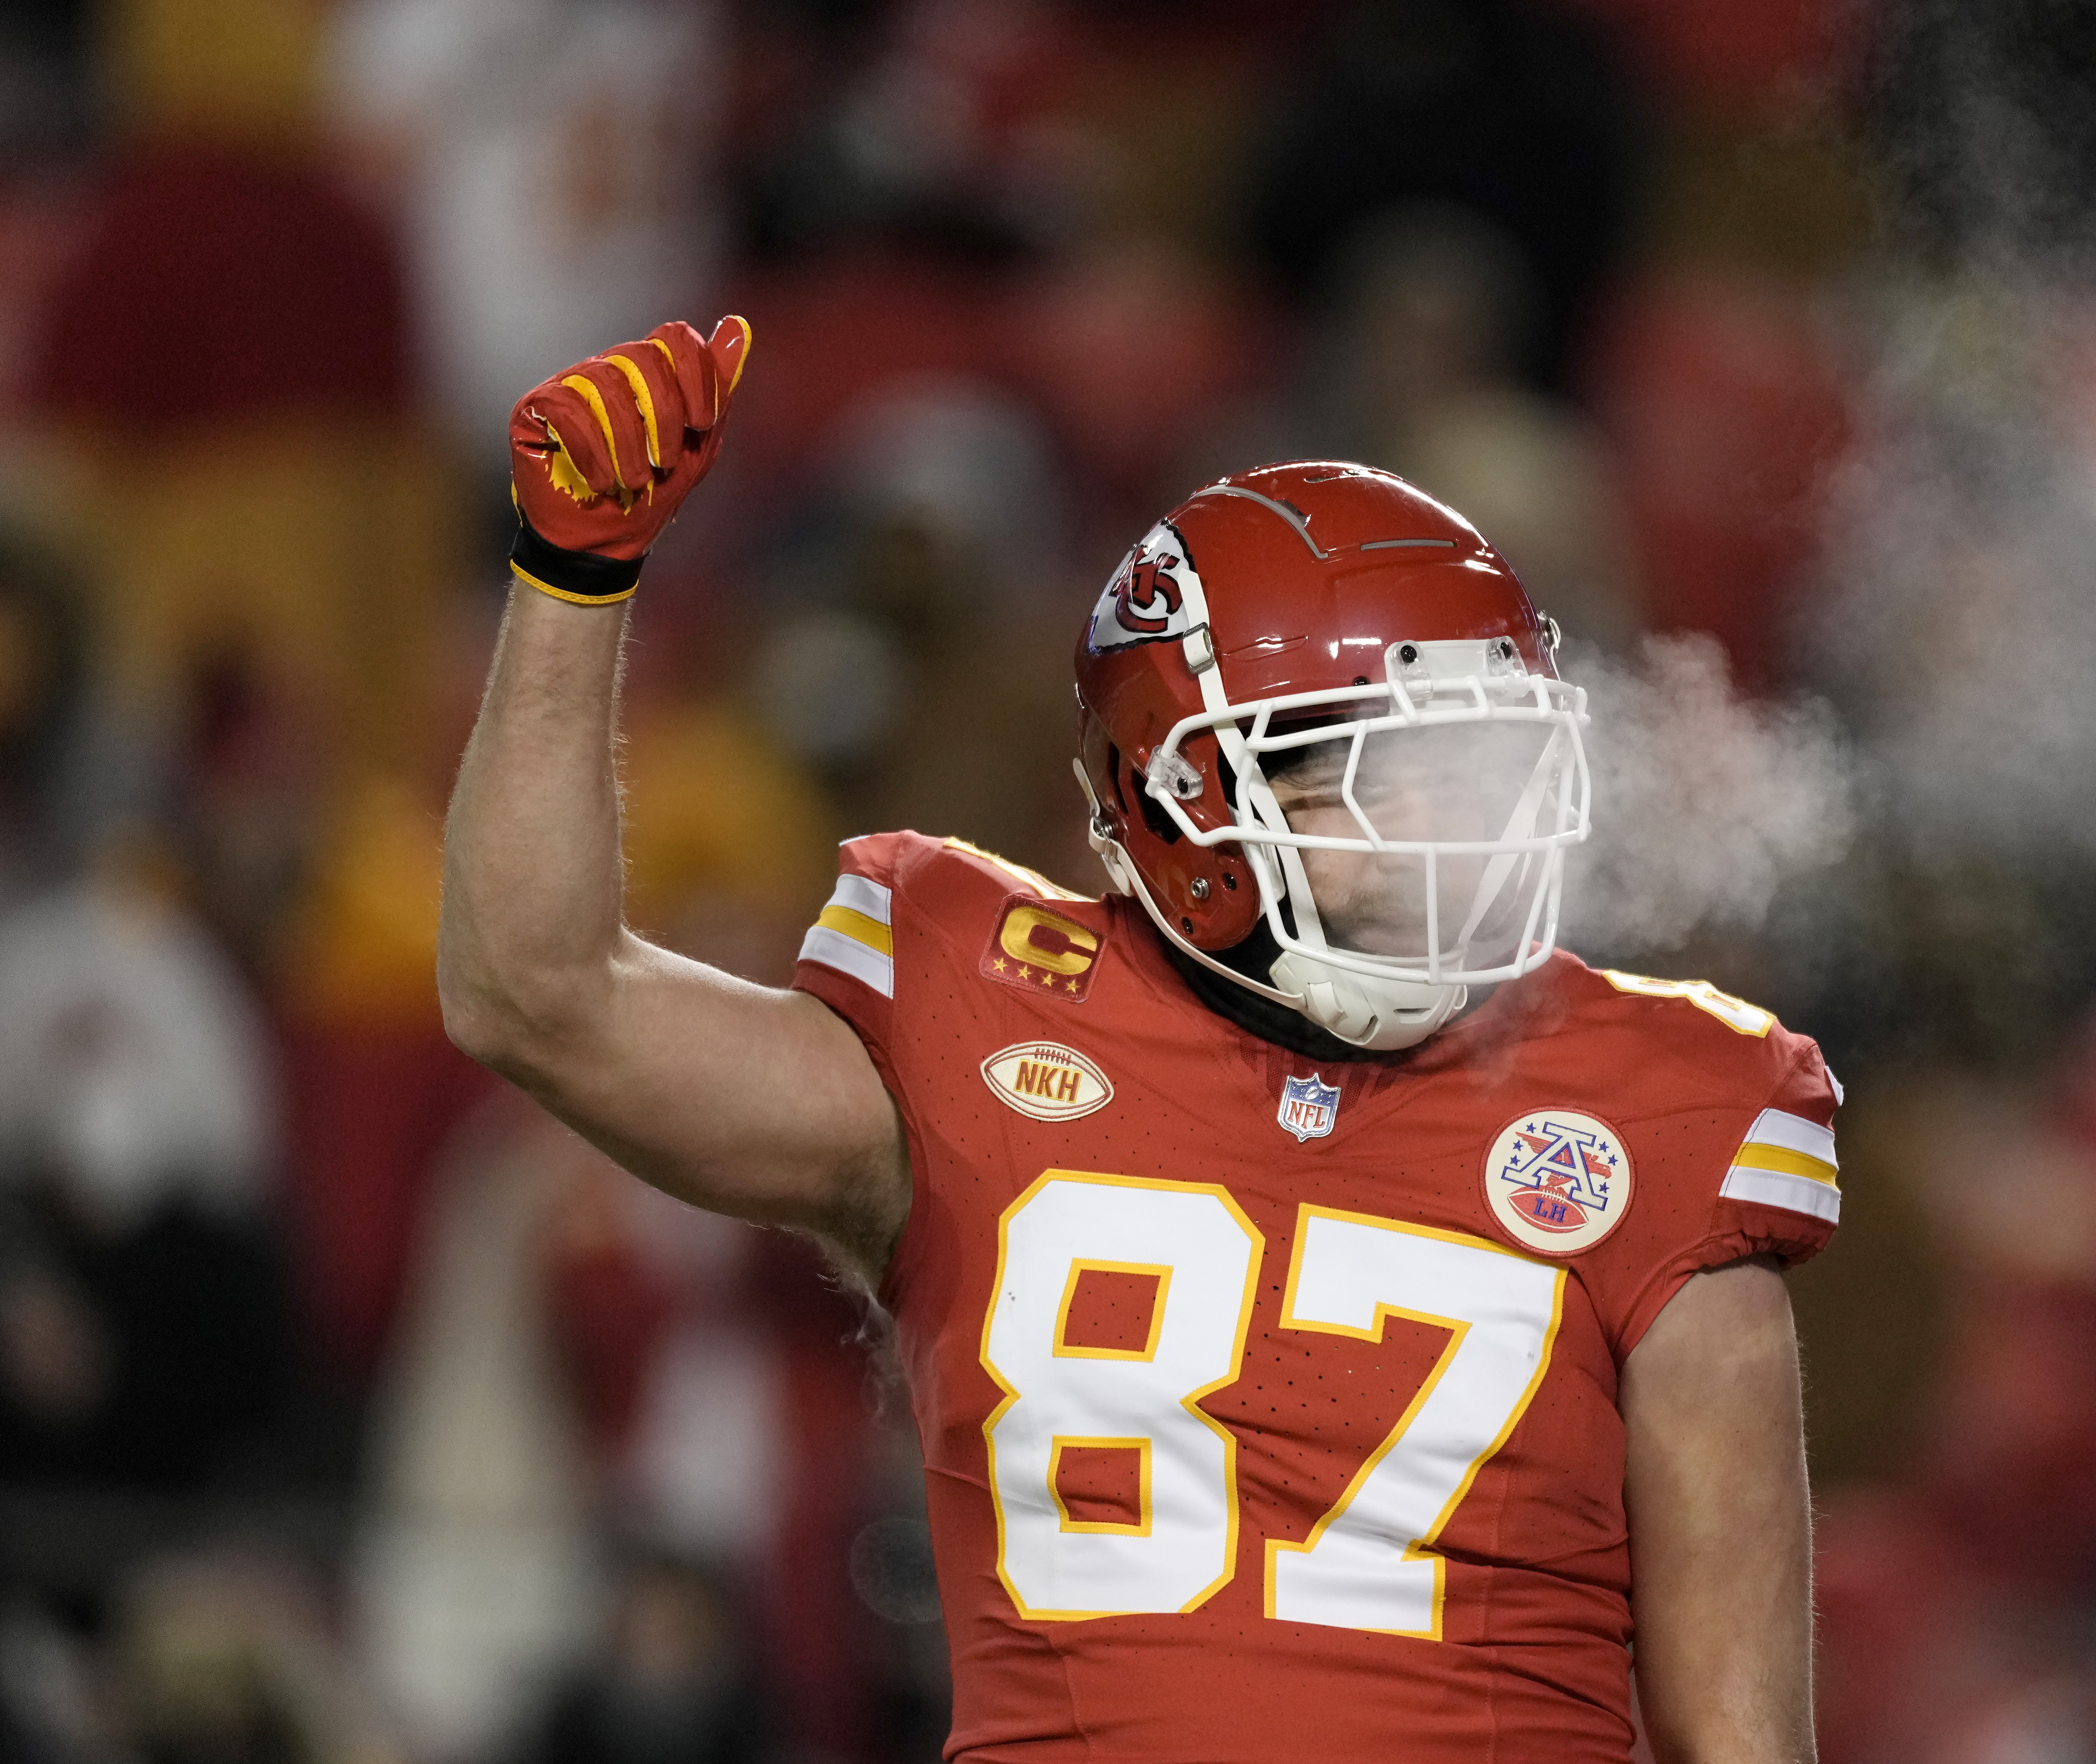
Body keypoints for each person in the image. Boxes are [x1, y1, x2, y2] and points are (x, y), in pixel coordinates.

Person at [440, 316, 1843, 1762]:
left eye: (1472, 763)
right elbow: (535, 994)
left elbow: (1743, 1745)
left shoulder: (1661, 1111)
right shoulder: (982, 1016)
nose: (1450, 830)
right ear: (1179, 798)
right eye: (1373, 777)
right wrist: (572, 579)